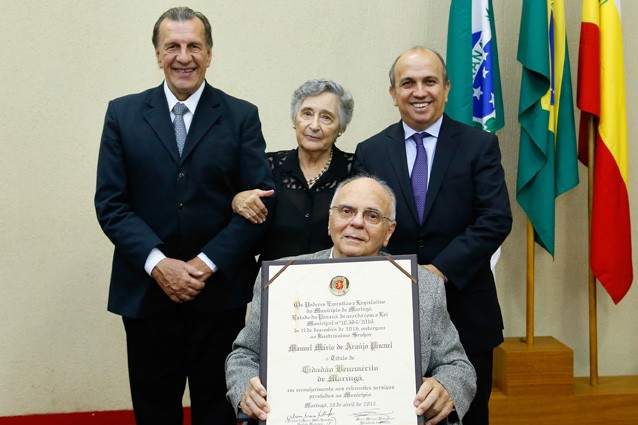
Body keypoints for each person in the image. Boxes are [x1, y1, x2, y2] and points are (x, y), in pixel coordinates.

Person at [94, 7, 274, 425]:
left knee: (219, 410)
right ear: (157, 54)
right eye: (172, 46)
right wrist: (160, 265)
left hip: (219, 298)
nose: (183, 56)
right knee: (154, 411)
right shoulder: (122, 114)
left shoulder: (240, 115)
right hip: (145, 293)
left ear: (209, 53)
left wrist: (203, 264)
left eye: (194, 46)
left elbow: (260, 203)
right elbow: (111, 203)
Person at [226, 175, 477, 425]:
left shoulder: (423, 285)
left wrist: (446, 386)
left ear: (388, 231)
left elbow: (458, 366)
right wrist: (245, 388)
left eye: (372, 216)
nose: (356, 222)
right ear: (330, 220)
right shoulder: (281, 278)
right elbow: (244, 355)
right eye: (346, 211)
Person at [352, 47, 512, 425]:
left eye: (429, 81)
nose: (419, 91)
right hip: (388, 314)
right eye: (407, 83)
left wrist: (438, 271)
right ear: (393, 93)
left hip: (466, 308)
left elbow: (494, 219)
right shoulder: (371, 151)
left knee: (467, 415)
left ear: (447, 88)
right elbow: (361, 226)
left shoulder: (479, 145)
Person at [231, 78, 354, 261]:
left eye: (326, 117)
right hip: (273, 283)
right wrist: (236, 199)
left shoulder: (355, 172)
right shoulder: (267, 165)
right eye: (307, 113)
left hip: (334, 284)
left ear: (341, 128)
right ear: (295, 119)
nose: (314, 126)